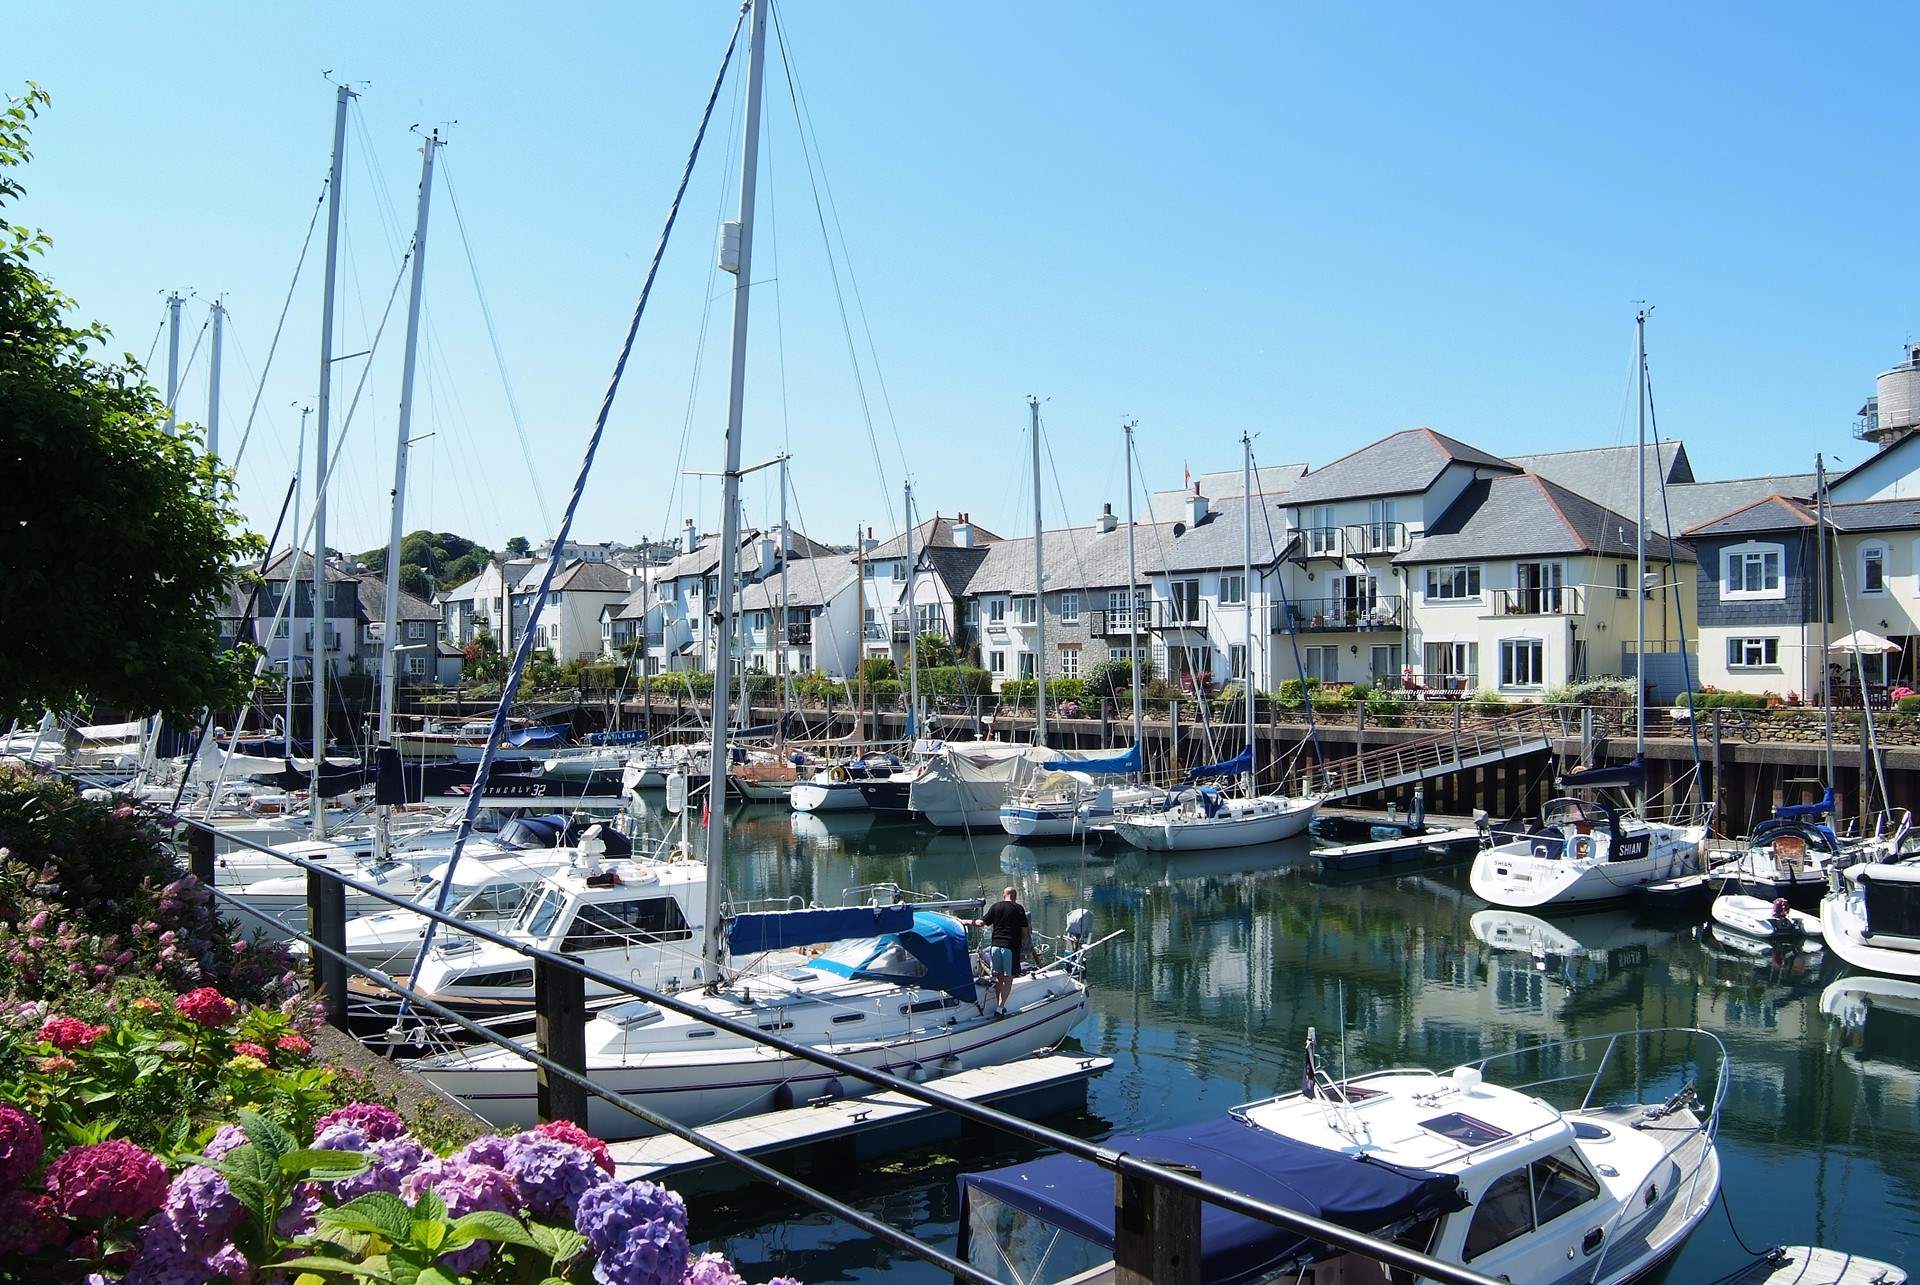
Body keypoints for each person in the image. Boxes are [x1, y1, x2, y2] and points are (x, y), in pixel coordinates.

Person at [972, 886, 1029, 1018]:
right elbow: (1025, 932)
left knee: (999, 978)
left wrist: (966, 921)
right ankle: (1000, 1008)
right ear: (1015, 897)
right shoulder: (1019, 909)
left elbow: (981, 923)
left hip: (995, 947)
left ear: (1004, 896)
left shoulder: (995, 907)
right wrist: (1021, 944)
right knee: (1008, 979)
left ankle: (999, 1006)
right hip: (1009, 947)